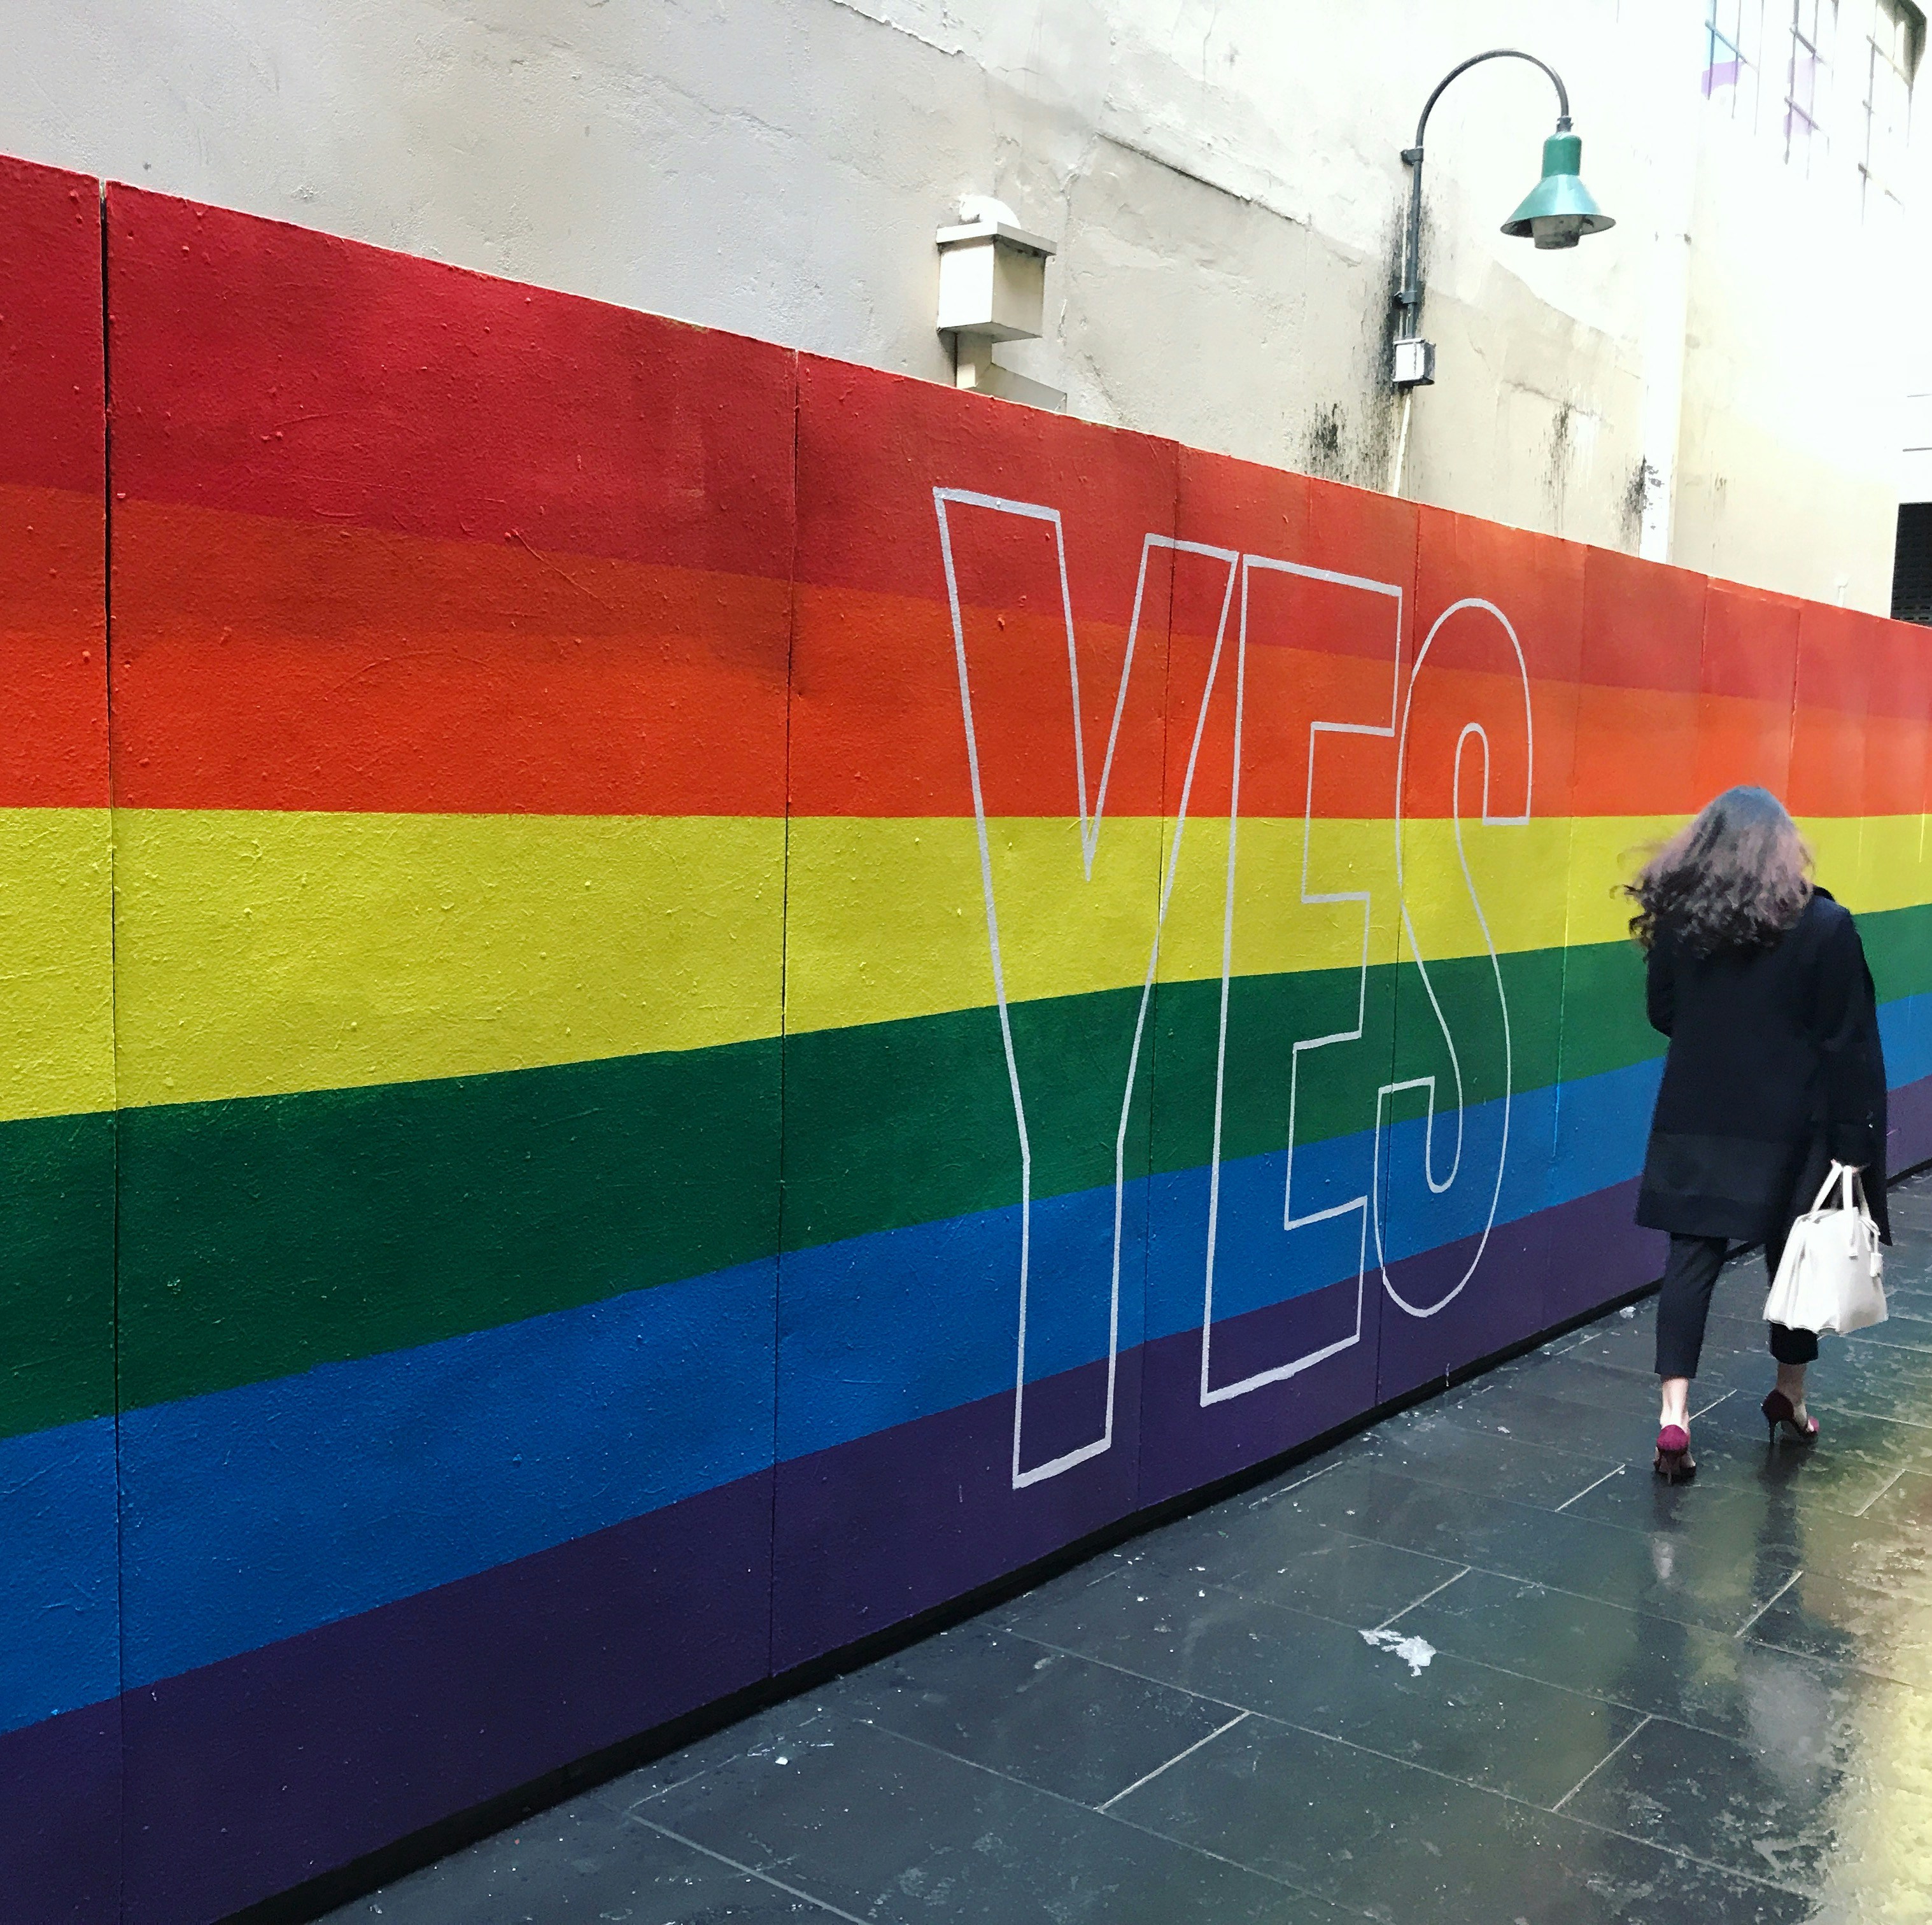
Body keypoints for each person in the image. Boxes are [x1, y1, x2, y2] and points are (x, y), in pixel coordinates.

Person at [1625, 786, 1888, 1483]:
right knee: (1793, 1257)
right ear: (1783, 848)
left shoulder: (1682, 924)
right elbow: (1845, 1041)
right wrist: (1853, 1142)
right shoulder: (1825, 925)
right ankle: (1788, 1396)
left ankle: (1673, 1417)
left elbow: (1663, 1013)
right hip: (1791, 1124)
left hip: (1698, 1116)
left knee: (1690, 1259)